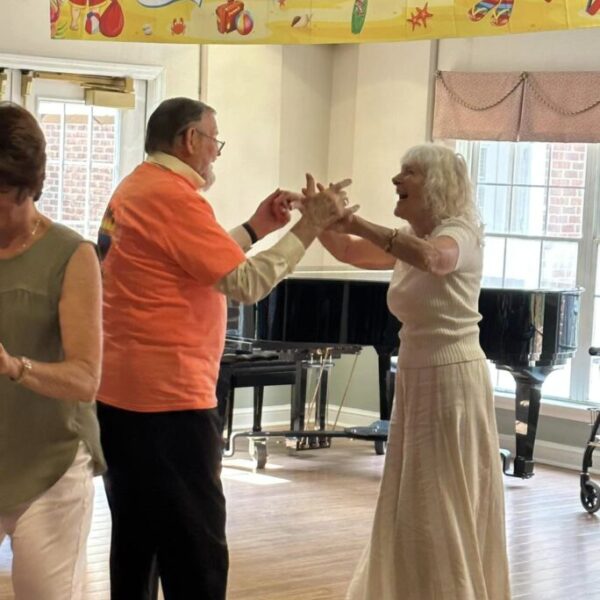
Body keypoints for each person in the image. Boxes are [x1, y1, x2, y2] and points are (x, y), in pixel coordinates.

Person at [95, 96, 352, 600]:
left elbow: (189, 261)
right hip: (169, 406)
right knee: (196, 559)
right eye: (215, 141)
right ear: (191, 140)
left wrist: (258, 227)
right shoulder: (175, 198)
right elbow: (247, 283)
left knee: (135, 549)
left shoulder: (136, 189)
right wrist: (309, 226)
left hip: (121, 400)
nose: (216, 153)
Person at [316, 144, 510, 600]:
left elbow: (435, 259)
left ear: (438, 184)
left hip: (452, 377)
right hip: (418, 375)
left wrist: (357, 220)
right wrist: (317, 219)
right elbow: (347, 250)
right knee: (414, 494)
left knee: (440, 495)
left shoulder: (459, 233)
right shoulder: (407, 238)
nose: (395, 179)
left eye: (409, 173)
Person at [0, 102, 105, 599]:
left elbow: (85, 378)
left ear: (28, 187)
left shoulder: (71, 253)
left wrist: (14, 366)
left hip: (50, 464)